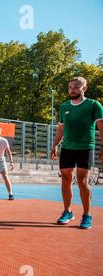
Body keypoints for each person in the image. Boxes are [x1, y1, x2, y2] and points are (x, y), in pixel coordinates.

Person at [51, 77, 103, 230]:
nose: (72, 89)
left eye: (76, 87)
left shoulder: (94, 105)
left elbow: (101, 126)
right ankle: (67, 212)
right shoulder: (64, 106)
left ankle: (87, 215)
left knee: (82, 181)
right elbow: (61, 129)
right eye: (70, 86)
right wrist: (54, 145)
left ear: (84, 89)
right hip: (67, 148)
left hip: (86, 147)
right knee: (66, 179)